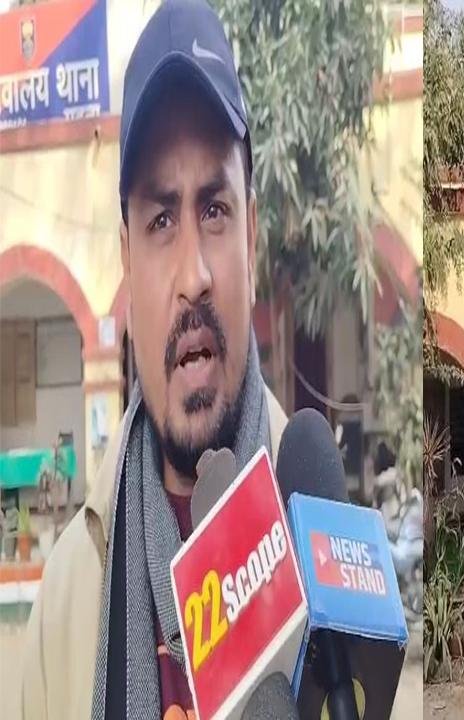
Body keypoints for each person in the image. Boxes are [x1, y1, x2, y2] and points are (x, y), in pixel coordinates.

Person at [21, 2, 289, 718]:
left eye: (214, 210)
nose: (193, 275)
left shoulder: (320, 537)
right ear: (127, 262)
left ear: (251, 241)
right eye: (161, 219)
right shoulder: (65, 605)